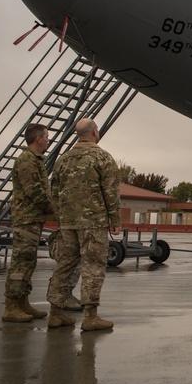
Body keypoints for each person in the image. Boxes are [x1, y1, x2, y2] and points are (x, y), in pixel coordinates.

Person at [46, 119, 121, 331]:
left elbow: (54, 192)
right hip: (93, 222)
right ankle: (90, 317)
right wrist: (114, 220)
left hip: (68, 223)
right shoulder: (102, 157)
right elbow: (111, 191)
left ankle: (55, 313)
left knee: (65, 265)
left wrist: (61, 219)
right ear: (95, 132)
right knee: (93, 266)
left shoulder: (63, 159)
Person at [2, 123, 56, 323]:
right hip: (27, 219)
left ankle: (22, 302)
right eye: (47, 137)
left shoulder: (34, 160)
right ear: (38, 139)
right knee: (20, 263)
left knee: (28, 262)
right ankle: (11, 307)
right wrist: (53, 210)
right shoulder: (27, 160)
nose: (48, 140)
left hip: (33, 218)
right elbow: (34, 191)